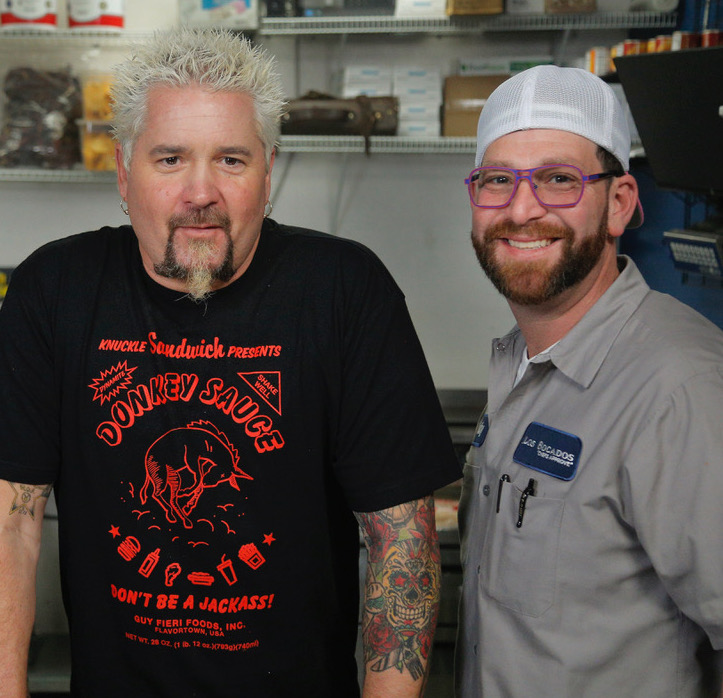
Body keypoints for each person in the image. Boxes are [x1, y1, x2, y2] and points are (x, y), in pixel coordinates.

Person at [0, 28, 461, 697]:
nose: (200, 191)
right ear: (123, 175)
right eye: (168, 159)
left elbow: (402, 543)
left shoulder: (343, 291)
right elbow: (11, 527)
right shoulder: (55, 290)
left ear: (267, 173)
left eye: (231, 161)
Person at [455, 64, 723, 697]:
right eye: (498, 180)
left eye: (558, 179)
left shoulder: (679, 390)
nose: (522, 209)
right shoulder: (521, 361)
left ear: (621, 203)